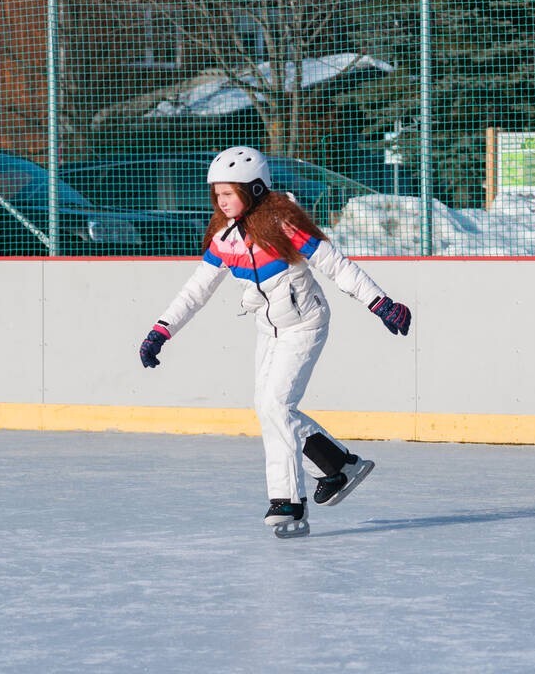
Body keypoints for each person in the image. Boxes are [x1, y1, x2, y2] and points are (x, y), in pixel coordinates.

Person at [138, 146, 411, 539]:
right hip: (270, 329)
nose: (221, 201)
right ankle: (337, 465)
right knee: (269, 410)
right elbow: (195, 290)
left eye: (229, 193)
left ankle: (288, 501)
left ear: (256, 189)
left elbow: (335, 265)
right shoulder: (225, 237)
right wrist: (161, 329)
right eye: (217, 194)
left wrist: (380, 303)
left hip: (305, 324)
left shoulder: (285, 225)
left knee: (276, 405)